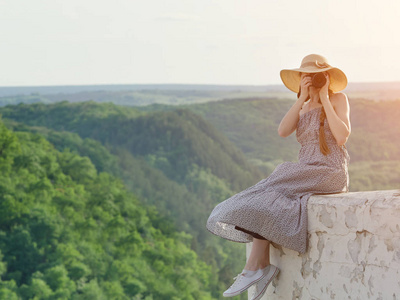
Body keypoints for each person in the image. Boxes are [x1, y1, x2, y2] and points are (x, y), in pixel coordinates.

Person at [206, 54, 351, 300]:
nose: (314, 80)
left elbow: (342, 136)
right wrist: (303, 97)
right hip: (305, 170)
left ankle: (254, 269)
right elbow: (283, 131)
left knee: (278, 178)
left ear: (327, 77)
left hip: (330, 170)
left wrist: (324, 97)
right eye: (307, 76)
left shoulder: (338, 99)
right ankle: (259, 266)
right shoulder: (303, 105)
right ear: (301, 79)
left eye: (318, 75)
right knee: (269, 197)